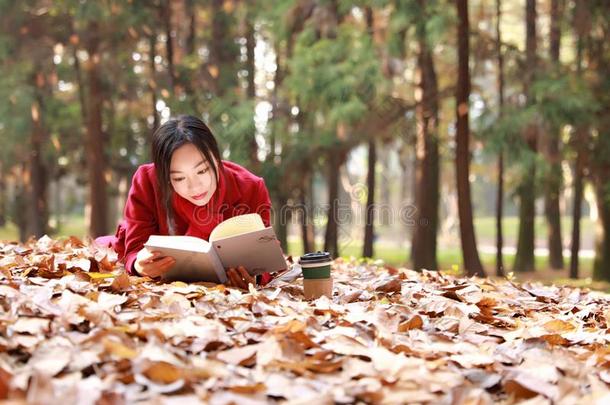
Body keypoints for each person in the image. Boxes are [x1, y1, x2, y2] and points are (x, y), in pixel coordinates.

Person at [96, 115, 274, 288]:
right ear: (164, 176)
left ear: (217, 158)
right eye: (179, 178)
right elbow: (134, 249)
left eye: (203, 171)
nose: (195, 187)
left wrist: (254, 278)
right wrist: (138, 266)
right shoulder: (147, 181)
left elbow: (264, 257)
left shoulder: (251, 188)